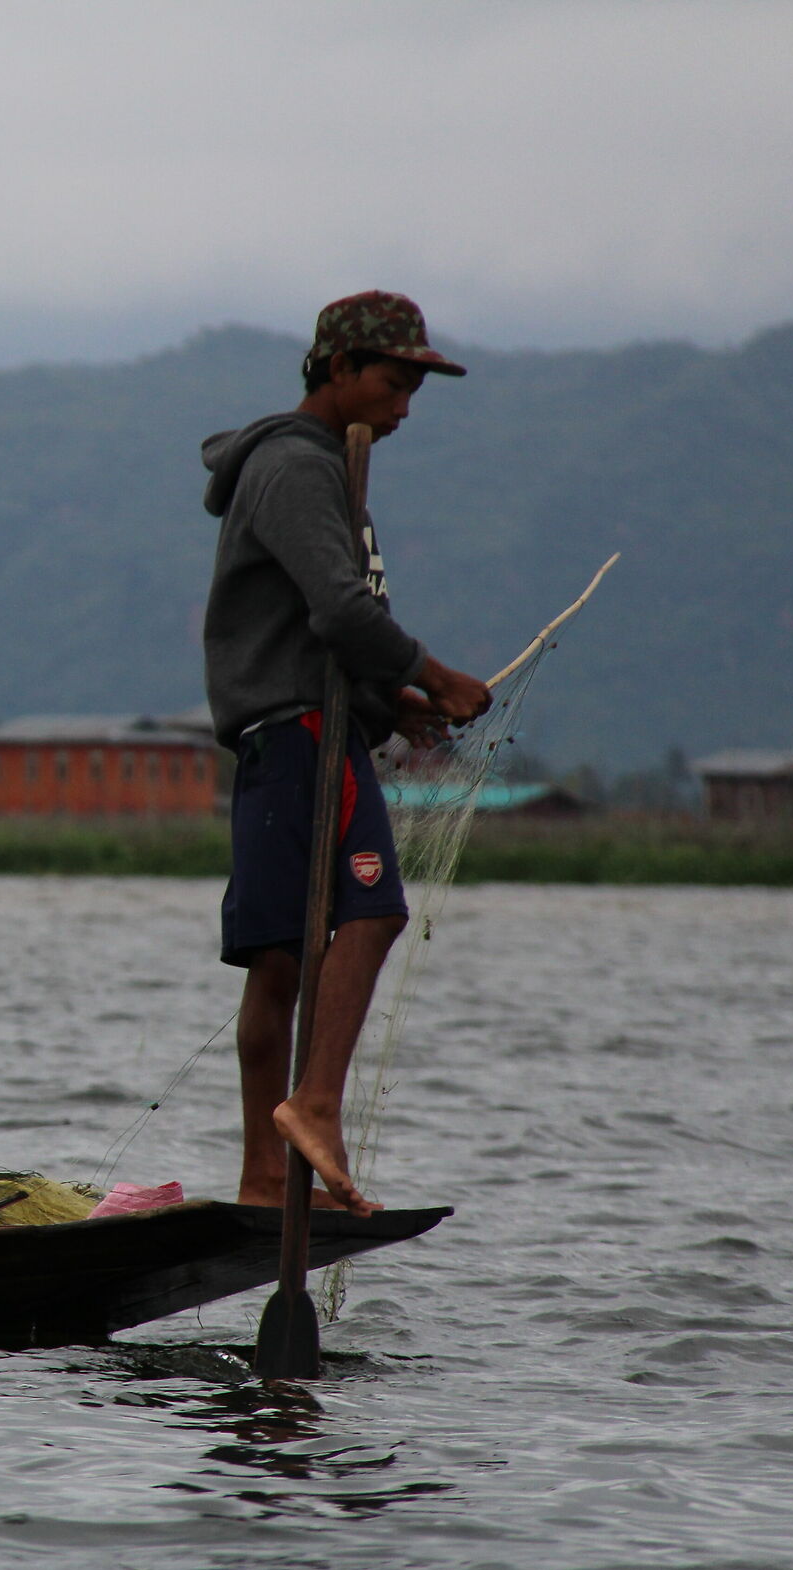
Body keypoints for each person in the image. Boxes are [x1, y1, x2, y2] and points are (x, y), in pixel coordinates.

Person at [199, 290, 494, 1217]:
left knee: (281, 963)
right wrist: (435, 674)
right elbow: (338, 608)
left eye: (414, 389)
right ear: (338, 371)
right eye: (392, 382)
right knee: (371, 911)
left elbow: (317, 631)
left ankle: (260, 1181)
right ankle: (314, 1104)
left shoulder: (331, 471)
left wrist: (390, 702)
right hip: (298, 737)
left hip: (308, 725)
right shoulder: (295, 467)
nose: (404, 407)